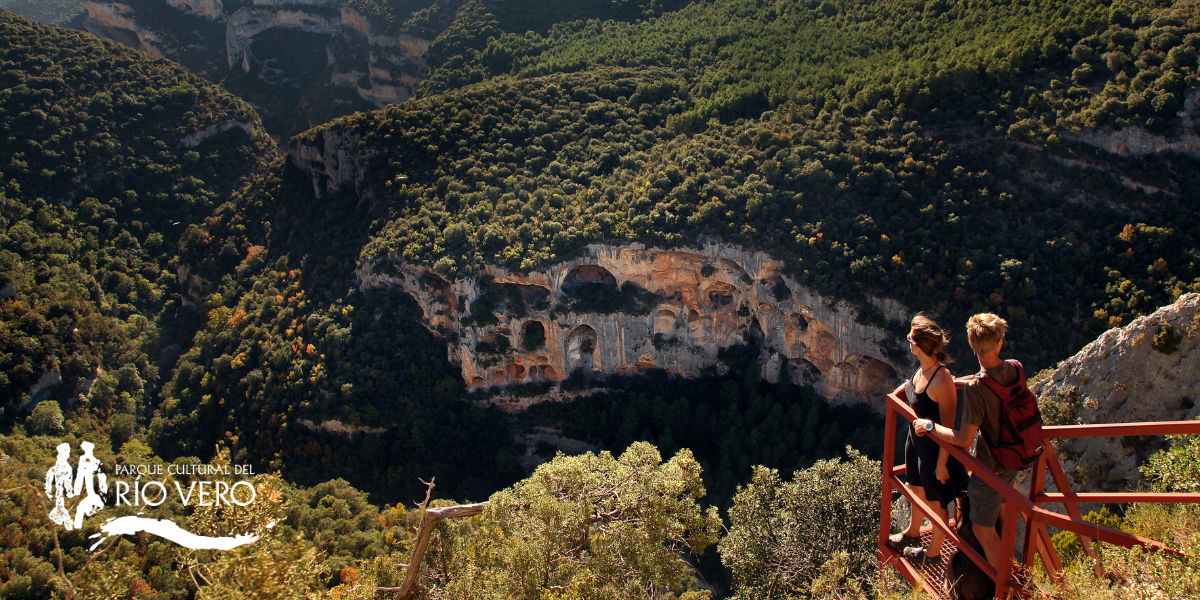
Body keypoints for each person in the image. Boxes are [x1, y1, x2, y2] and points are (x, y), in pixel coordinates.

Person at [914, 313, 1020, 575]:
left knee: (983, 529)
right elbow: (997, 389)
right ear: (1000, 344)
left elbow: (963, 440)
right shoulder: (1016, 368)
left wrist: (930, 426)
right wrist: (959, 383)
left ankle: (1007, 586)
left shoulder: (976, 389)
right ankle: (1023, 566)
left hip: (991, 465)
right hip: (1016, 456)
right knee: (1008, 516)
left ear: (973, 347)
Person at [888, 315, 968, 564]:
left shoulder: (942, 379)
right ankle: (913, 532)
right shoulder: (923, 369)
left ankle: (933, 553)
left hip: (935, 451)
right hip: (916, 443)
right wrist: (902, 390)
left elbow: (948, 425)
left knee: (937, 501)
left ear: (918, 345)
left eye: (910, 338)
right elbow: (915, 390)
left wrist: (942, 463)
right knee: (916, 489)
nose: (908, 342)